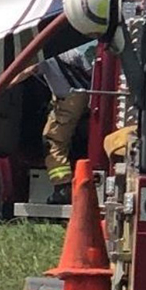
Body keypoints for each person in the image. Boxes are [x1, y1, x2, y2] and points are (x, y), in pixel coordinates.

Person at [39, 43, 96, 204]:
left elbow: (28, 70)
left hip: (68, 101)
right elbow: (91, 73)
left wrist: (5, 83)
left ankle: (62, 188)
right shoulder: (72, 51)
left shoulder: (43, 54)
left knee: (52, 141)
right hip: (84, 97)